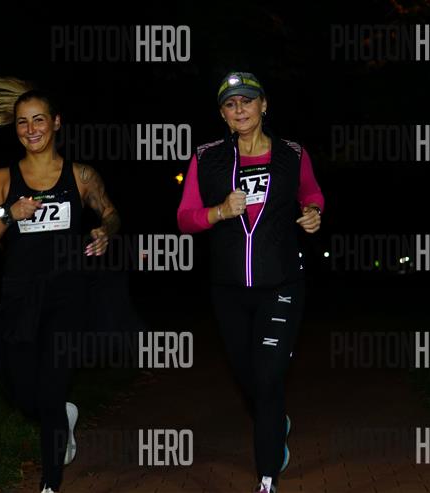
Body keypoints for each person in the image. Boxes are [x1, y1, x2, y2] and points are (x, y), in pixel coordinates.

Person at [177, 71, 324, 493]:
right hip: (228, 290)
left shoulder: (293, 154)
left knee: (269, 377)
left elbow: (312, 193)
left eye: (247, 100)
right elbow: (185, 218)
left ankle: (267, 476)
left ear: (264, 105)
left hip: (281, 283)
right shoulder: (206, 158)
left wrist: (313, 213)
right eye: (230, 104)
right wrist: (219, 211)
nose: (239, 109)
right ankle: (277, 424)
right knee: (248, 378)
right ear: (222, 115)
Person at [0, 77, 120, 493]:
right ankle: (63, 418)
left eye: (39, 120)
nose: (31, 129)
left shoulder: (80, 175)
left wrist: (105, 232)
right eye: (22, 122)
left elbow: (111, 214)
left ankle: (50, 484)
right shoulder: (3, 179)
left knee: (52, 386)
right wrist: (9, 214)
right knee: (24, 392)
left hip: (67, 294)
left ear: (56, 123)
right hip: (20, 295)